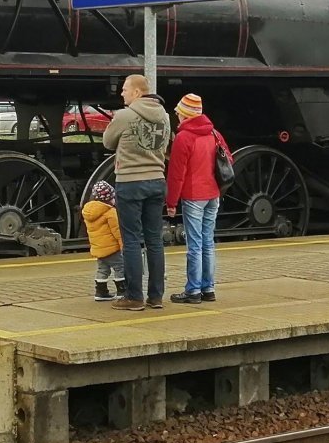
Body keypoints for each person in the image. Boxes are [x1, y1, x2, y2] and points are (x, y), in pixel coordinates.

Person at [101, 72, 171, 310]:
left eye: (125, 89)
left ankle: (133, 297)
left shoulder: (124, 115)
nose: (121, 92)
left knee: (131, 240)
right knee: (154, 240)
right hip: (157, 180)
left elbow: (107, 142)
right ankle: (156, 296)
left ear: (137, 92)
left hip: (130, 182)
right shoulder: (164, 116)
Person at [164, 93, 227, 303]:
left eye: (179, 112)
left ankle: (193, 291)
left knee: (195, 245)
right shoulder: (214, 133)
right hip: (213, 195)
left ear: (185, 114)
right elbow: (229, 159)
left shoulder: (184, 137)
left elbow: (176, 174)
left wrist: (171, 202)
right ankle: (208, 288)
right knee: (208, 242)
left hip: (193, 196)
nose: (177, 116)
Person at [80, 170, 125, 302]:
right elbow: (117, 230)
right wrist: (123, 245)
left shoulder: (88, 212)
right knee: (120, 267)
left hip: (99, 249)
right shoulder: (110, 212)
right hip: (112, 248)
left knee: (103, 269)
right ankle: (122, 290)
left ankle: (101, 292)